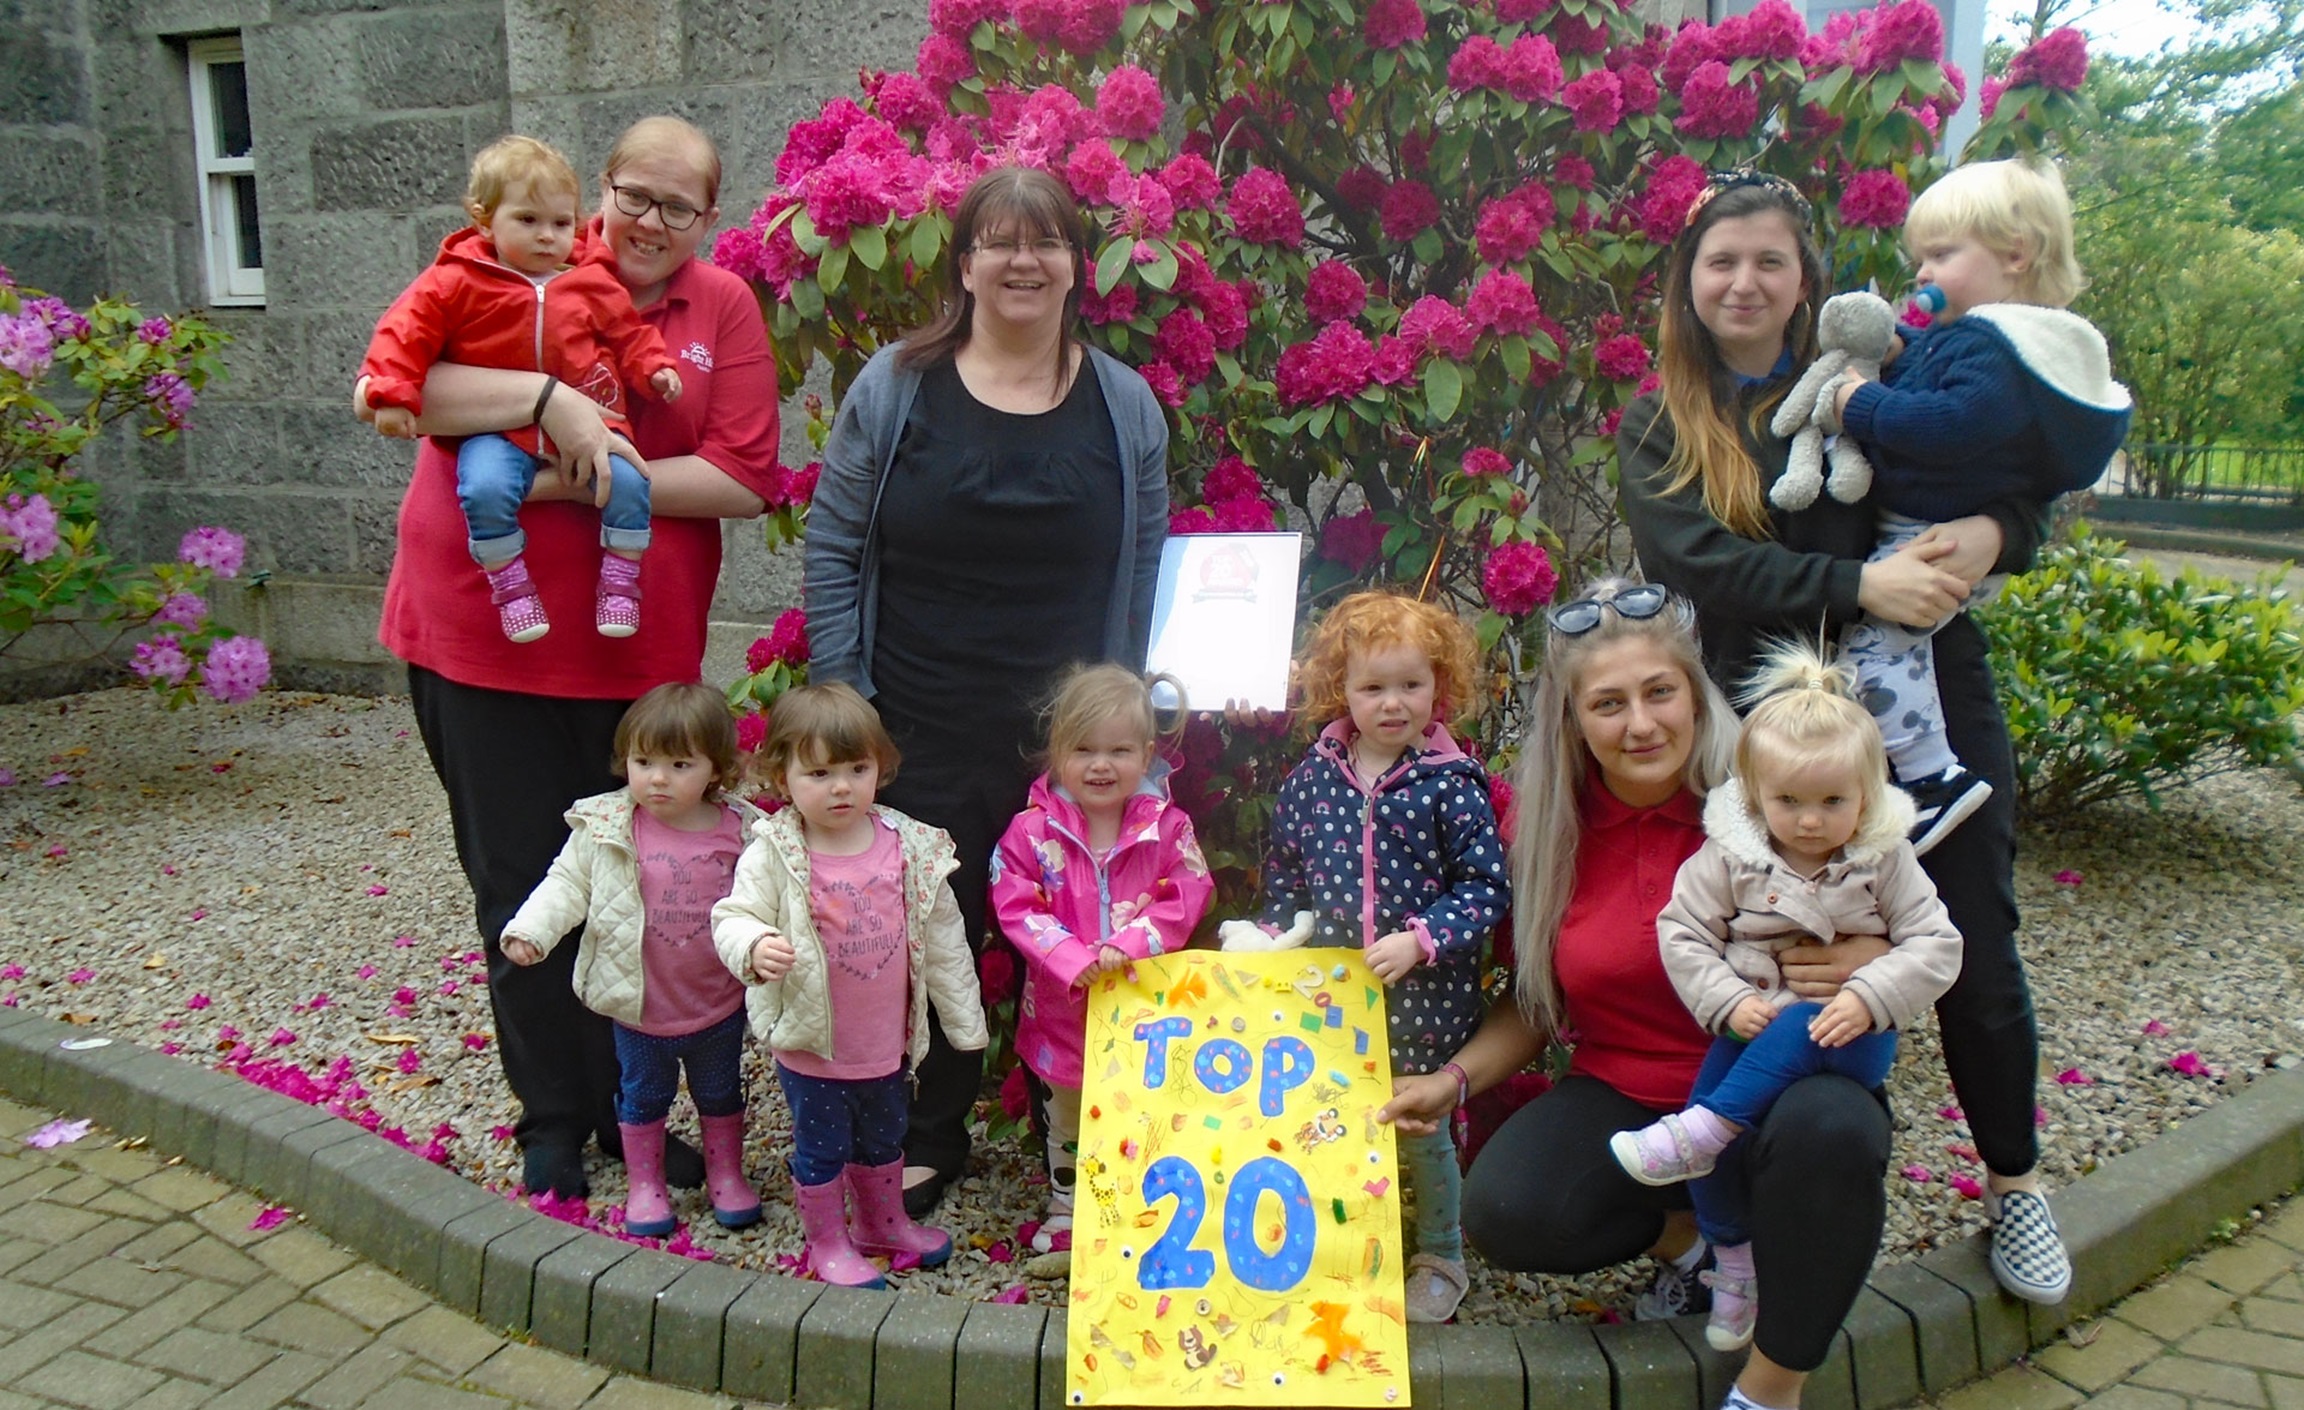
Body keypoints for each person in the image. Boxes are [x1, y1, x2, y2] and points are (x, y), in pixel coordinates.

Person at [1617, 167, 2070, 1349]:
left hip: (1922, 708)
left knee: (1970, 936)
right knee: (1768, 951)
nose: (1746, 281)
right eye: (1722, 261)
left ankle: (2017, 1185)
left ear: (1808, 279)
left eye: (1771, 260)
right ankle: (1755, 1218)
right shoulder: (1664, 413)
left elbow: (2003, 467)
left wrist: (1998, 532)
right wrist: (1854, 581)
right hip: (1764, 728)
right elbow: (1699, 561)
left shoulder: (1891, 370)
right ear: (1689, 280)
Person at [365, 116, 782, 1201]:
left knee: (640, 888)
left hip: (635, 661)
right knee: (517, 881)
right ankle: (555, 1113)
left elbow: (741, 474)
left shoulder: (720, 306)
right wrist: (546, 400)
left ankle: (625, 1111)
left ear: (709, 218)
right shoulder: (518, 252)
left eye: (677, 206)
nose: (648, 221)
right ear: (600, 191)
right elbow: (412, 389)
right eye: (632, 196)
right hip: (476, 636)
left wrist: (564, 478)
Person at [1382, 577, 1891, 1410]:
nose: (1641, 723)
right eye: (1609, 703)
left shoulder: (1778, 806)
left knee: (1833, 1128)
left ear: (1696, 695)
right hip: (1633, 1098)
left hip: (1778, 1091)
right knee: (1507, 1207)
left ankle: (1771, 1388)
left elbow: (1918, 919)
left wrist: (1871, 950)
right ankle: (1699, 1244)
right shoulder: (1552, 833)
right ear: (1575, 721)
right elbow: (1537, 1002)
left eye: (1660, 692)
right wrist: (1452, 1080)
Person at [804, 165, 1170, 1218]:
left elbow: (1143, 565)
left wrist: (1131, 710)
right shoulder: (896, 385)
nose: (1023, 260)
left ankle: (1083, 1139)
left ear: (1076, 266)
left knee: (1086, 941)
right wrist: (850, 703)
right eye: (1000, 241)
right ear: (963, 262)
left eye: (1047, 240)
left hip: (1071, 746)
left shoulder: (1123, 404)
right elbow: (833, 545)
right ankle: (929, 1128)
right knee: (927, 938)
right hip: (918, 721)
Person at [1609, 640, 1962, 1356]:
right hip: (1748, 1030)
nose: (1809, 821)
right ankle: (1731, 1265)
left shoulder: (1883, 858)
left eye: (1833, 802)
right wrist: (1725, 997)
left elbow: (1938, 943)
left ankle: (1706, 1130)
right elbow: (1681, 931)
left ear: (1867, 795)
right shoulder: (1733, 856)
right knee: (1704, 1155)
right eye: (1789, 802)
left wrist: (1870, 992)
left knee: (1708, 1123)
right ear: (1754, 796)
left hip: (1849, 1035)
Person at [1824, 157, 2131, 851]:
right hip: (1941, 537)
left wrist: (1859, 404)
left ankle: (1933, 779)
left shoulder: (1990, 344)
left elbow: (1947, 424)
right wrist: (1902, 353)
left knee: (1875, 654)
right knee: (1887, 655)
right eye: (1918, 259)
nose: (1922, 274)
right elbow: (1942, 384)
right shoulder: (2003, 343)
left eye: (1940, 254)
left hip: (1923, 538)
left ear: (2015, 255)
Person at [1228, 590, 1509, 1324]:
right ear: (1340, 689)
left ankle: (1441, 1252)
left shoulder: (1450, 784)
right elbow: (1286, 871)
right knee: (1335, 1115)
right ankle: (1343, 1241)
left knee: (1421, 1127)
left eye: (1411, 685)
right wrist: (1273, 934)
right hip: (1332, 996)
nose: (1393, 704)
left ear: (1438, 686)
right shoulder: (1312, 781)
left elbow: (1485, 888)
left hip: (1427, 1002)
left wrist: (1424, 938)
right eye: (1372, 687)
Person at [710, 684, 988, 1290]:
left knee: (886, 1137)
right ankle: (827, 1240)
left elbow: (944, 937)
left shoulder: (907, 847)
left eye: (856, 770)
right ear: (781, 777)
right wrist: (755, 947)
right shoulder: (776, 853)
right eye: (819, 772)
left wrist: (965, 1025)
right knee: (822, 1146)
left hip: (885, 1044)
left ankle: (880, 1224)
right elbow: (733, 915)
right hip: (814, 1046)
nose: (841, 787)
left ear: (879, 769)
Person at [360, 135, 684, 644]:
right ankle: (509, 583)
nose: (546, 237)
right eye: (527, 221)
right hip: (498, 430)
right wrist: (393, 392)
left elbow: (629, 332)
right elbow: (404, 334)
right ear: (484, 218)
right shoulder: (454, 281)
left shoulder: (587, 280)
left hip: (589, 427)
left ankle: (621, 577)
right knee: (484, 489)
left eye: (560, 223)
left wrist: (655, 368)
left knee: (628, 482)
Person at [499, 683, 766, 1235]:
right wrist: (532, 931)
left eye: (679, 764)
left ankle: (726, 1173)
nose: (658, 778)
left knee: (720, 1091)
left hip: (717, 1002)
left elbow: (772, 895)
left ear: (716, 769)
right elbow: (566, 884)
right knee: (644, 1095)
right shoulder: (607, 827)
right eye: (644, 762)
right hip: (640, 1005)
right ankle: (646, 1184)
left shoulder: (743, 831)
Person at [989, 664, 1214, 1253]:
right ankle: (1068, 1207)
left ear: (1146, 754)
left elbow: (1189, 890)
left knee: (1141, 1109)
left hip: (1143, 1006)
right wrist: (1064, 955)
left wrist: (1131, 943)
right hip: (1063, 1009)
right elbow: (1011, 899)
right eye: (1083, 749)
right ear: (1057, 752)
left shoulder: (1167, 827)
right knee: (1066, 1115)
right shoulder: (1031, 832)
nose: (1100, 765)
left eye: (1118, 750)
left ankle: (1135, 1200)